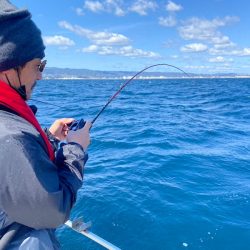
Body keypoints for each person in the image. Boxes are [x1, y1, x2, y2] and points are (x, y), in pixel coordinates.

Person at [0, 0, 92, 249]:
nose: (41, 75)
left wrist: (48, 138)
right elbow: (52, 211)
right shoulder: (9, 135)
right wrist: (75, 149)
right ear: (9, 66)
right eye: (38, 66)